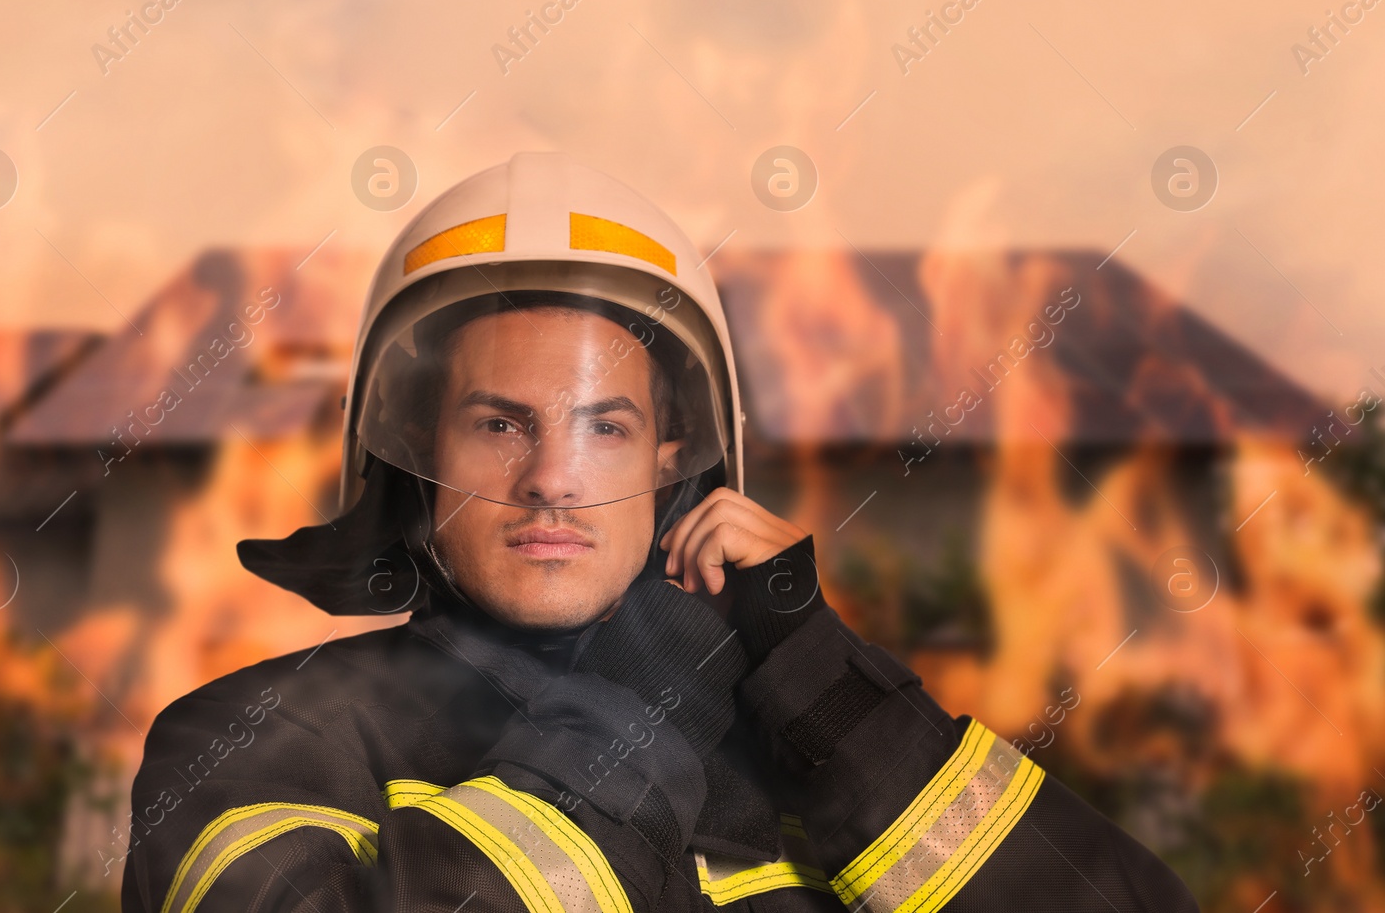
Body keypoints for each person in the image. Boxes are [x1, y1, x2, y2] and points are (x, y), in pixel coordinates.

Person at [120, 154, 1198, 912]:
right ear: (416, 453)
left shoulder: (802, 746)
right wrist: (630, 718)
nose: (550, 479)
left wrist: (834, 698)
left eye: (605, 424)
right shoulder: (256, 732)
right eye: (499, 423)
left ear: (676, 463)